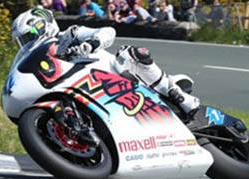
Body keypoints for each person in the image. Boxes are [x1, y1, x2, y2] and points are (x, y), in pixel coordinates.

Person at [10, 8, 201, 115]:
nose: (27, 45)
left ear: (44, 26)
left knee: (128, 54)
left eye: (28, 38)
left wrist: (92, 43)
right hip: (91, 91)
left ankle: (177, 95)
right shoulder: (41, 61)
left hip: (117, 75)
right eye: (22, 41)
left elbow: (108, 31)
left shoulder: (70, 34)